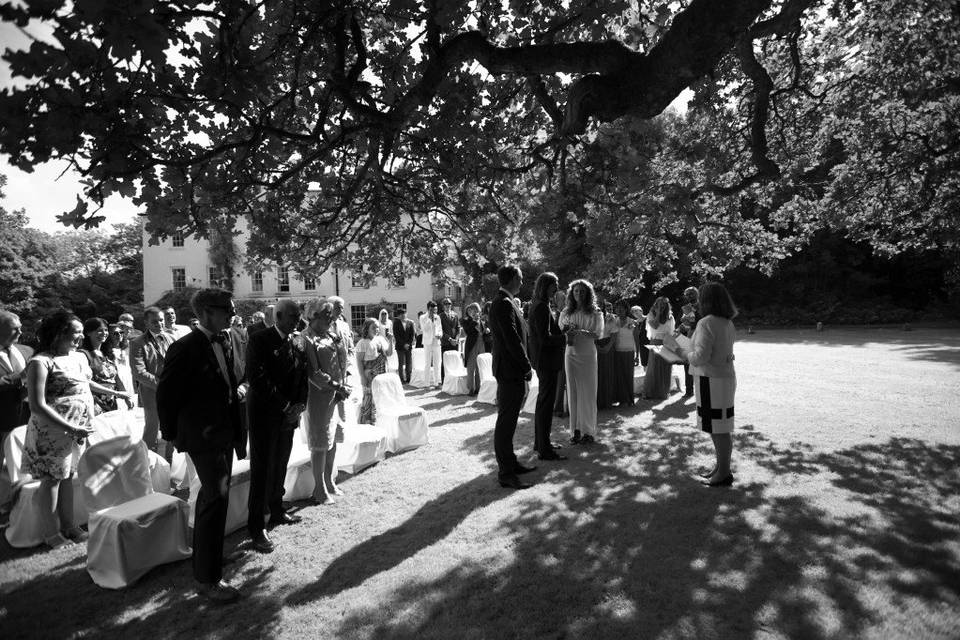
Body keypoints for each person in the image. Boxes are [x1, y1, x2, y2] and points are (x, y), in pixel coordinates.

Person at [157, 288, 247, 603]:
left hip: (227, 430)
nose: (233, 314)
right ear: (207, 312)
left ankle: (212, 557)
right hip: (202, 435)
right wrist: (171, 433)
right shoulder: (184, 348)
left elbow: (239, 377)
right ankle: (207, 580)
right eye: (228, 309)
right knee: (215, 497)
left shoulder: (230, 337)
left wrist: (242, 388)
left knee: (216, 498)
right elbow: (166, 395)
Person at [24, 311, 131, 548]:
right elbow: (37, 404)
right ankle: (52, 535)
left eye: (82, 332)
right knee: (51, 480)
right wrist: (70, 426)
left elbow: (86, 383)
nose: (81, 337)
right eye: (76, 332)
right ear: (60, 333)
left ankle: (70, 527)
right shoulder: (40, 362)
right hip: (51, 432)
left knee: (68, 477)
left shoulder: (78, 358)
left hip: (77, 429)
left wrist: (116, 393)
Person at [245, 298, 308, 553]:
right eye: (292, 316)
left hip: (289, 415)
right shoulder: (259, 340)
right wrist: (284, 406)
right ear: (279, 316)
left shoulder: (298, 340)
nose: (297, 321)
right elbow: (258, 378)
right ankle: (257, 525)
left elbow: (302, 374)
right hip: (265, 414)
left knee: (281, 462)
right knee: (262, 469)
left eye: (298, 316)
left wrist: (300, 405)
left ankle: (277, 508)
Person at [663, 283, 738, 487]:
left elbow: (700, 357)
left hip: (711, 380)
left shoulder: (706, 322)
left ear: (706, 300)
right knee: (719, 428)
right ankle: (721, 468)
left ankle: (724, 472)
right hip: (722, 378)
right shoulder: (726, 322)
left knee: (719, 429)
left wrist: (679, 352)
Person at [489, 265, 536, 490]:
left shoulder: (505, 301)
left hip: (510, 369)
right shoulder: (503, 303)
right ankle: (506, 472)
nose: (522, 282)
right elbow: (512, 339)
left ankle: (511, 463)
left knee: (509, 420)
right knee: (506, 421)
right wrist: (527, 366)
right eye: (520, 278)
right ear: (510, 280)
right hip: (509, 370)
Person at [302, 300, 349, 505]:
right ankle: (319, 488)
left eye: (331, 314)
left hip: (336, 395)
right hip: (319, 397)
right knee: (320, 443)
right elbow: (314, 373)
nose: (331, 317)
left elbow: (340, 362)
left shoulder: (330, 335)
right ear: (313, 315)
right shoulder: (306, 339)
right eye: (326, 314)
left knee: (332, 440)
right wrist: (338, 386)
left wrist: (343, 386)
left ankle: (329, 482)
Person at [527, 272, 567, 461]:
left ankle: (541, 443)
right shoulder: (541, 307)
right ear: (545, 286)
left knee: (543, 403)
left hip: (543, 361)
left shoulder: (539, 305)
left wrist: (563, 332)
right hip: (546, 361)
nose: (557, 289)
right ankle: (544, 449)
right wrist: (566, 338)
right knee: (545, 404)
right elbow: (545, 339)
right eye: (554, 285)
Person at [559, 279, 604, 445]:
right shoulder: (566, 312)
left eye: (582, 291)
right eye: (576, 291)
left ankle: (588, 431)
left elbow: (598, 334)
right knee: (573, 391)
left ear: (588, 294)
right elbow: (560, 331)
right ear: (572, 293)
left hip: (587, 355)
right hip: (570, 353)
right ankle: (575, 431)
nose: (578, 294)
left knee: (588, 392)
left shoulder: (596, 312)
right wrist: (568, 331)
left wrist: (581, 331)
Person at [130, 307, 174, 453]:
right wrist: (164, 385)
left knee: (173, 430)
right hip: (151, 393)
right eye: (154, 322)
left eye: (161, 320)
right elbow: (139, 372)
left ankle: (169, 467)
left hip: (173, 392)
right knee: (152, 431)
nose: (159, 324)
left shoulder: (171, 338)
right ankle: (148, 465)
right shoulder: (137, 343)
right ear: (146, 323)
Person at [79, 317, 132, 414]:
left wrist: (126, 397)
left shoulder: (107, 353)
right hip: (94, 404)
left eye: (106, 330)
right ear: (88, 333)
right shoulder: (83, 354)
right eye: (99, 331)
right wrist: (116, 393)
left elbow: (116, 378)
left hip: (111, 403)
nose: (104, 333)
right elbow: (86, 382)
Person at [356, 318, 393, 424]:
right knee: (368, 399)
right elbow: (359, 361)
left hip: (381, 374)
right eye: (374, 327)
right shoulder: (362, 343)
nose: (376, 329)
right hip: (369, 375)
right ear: (367, 328)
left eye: (377, 327)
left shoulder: (380, 339)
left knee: (379, 399)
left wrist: (390, 340)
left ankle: (375, 422)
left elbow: (389, 353)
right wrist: (362, 377)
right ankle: (365, 423)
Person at [0, 311, 31, 437]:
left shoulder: (28, 350)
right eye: (15, 329)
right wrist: (21, 376)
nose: (20, 332)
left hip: (30, 419)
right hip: (3, 422)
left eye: (20, 328)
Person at [643, 297, 676, 400]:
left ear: (667, 305)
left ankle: (663, 392)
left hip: (667, 343)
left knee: (665, 368)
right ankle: (651, 392)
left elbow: (672, 333)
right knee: (654, 368)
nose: (661, 306)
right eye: (659, 304)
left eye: (663, 304)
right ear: (655, 304)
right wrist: (657, 313)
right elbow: (655, 326)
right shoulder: (650, 315)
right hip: (655, 342)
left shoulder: (670, 317)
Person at [612, 302, 638, 407]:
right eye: (617, 308)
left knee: (628, 376)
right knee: (619, 377)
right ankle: (621, 399)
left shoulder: (632, 322)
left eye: (621, 309)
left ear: (626, 309)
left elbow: (637, 339)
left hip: (629, 352)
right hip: (617, 351)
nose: (619, 311)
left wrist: (637, 355)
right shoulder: (613, 321)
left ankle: (629, 399)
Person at [678, 286, 701, 398]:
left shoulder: (703, 306)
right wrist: (680, 327)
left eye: (691, 293)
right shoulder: (686, 308)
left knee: (700, 365)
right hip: (688, 338)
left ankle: (702, 390)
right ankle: (689, 390)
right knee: (687, 365)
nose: (689, 296)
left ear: (697, 294)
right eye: (687, 294)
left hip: (701, 338)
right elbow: (684, 324)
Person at [595, 300, 617, 410]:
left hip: (608, 345)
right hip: (595, 345)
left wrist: (608, 347)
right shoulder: (592, 316)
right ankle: (598, 402)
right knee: (597, 373)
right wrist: (596, 347)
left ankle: (607, 401)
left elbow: (614, 334)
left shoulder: (611, 318)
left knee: (607, 372)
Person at [461, 302, 486, 395]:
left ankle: (478, 388)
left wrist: (486, 329)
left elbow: (483, 332)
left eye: (477, 311)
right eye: (473, 311)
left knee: (479, 367)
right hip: (472, 345)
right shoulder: (466, 320)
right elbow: (468, 331)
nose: (475, 313)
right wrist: (475, 321)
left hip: (481, 344)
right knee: (471, 367)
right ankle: (471, 388)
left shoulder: (482, 321)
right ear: (469, 311)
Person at [419, 301, 442, 387]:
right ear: (428, 309)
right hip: (427, 343)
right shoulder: (422, 317)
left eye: (435, 309)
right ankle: (427, 383)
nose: (434, 311)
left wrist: (440, 334)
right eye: (432, 309)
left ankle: (436, 383)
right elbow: (424, 329)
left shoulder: (438, 317)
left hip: (436, 342)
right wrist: (429, 319)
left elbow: (440, 328)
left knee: (437, 363)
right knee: (427, 363)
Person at [438, 298, 460, 382]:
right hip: (446, 342)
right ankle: (444, 380)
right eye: (446, 304)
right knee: (445, 362)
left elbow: (458, 328)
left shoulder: (455, 314)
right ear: (443, 306)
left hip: (455, 342)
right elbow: (440, 330)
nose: (448, 305)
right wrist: (450, 339)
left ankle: (453, 379)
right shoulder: (440, 316)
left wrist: (456, 339)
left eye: (449, 304)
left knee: (454, 360)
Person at [392, 308, 415, 384]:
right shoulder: (396, 323)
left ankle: (409, 378)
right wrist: (403, 344)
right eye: (401, 314)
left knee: (409, 363)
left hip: (408, 346)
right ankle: (401, 379)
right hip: (400, 346)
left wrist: (408, 344)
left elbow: (412, 335)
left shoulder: (410, 322)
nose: (403, 315)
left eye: (404, 313)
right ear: (398, 315)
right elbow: (396, 335)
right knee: (401, 363)